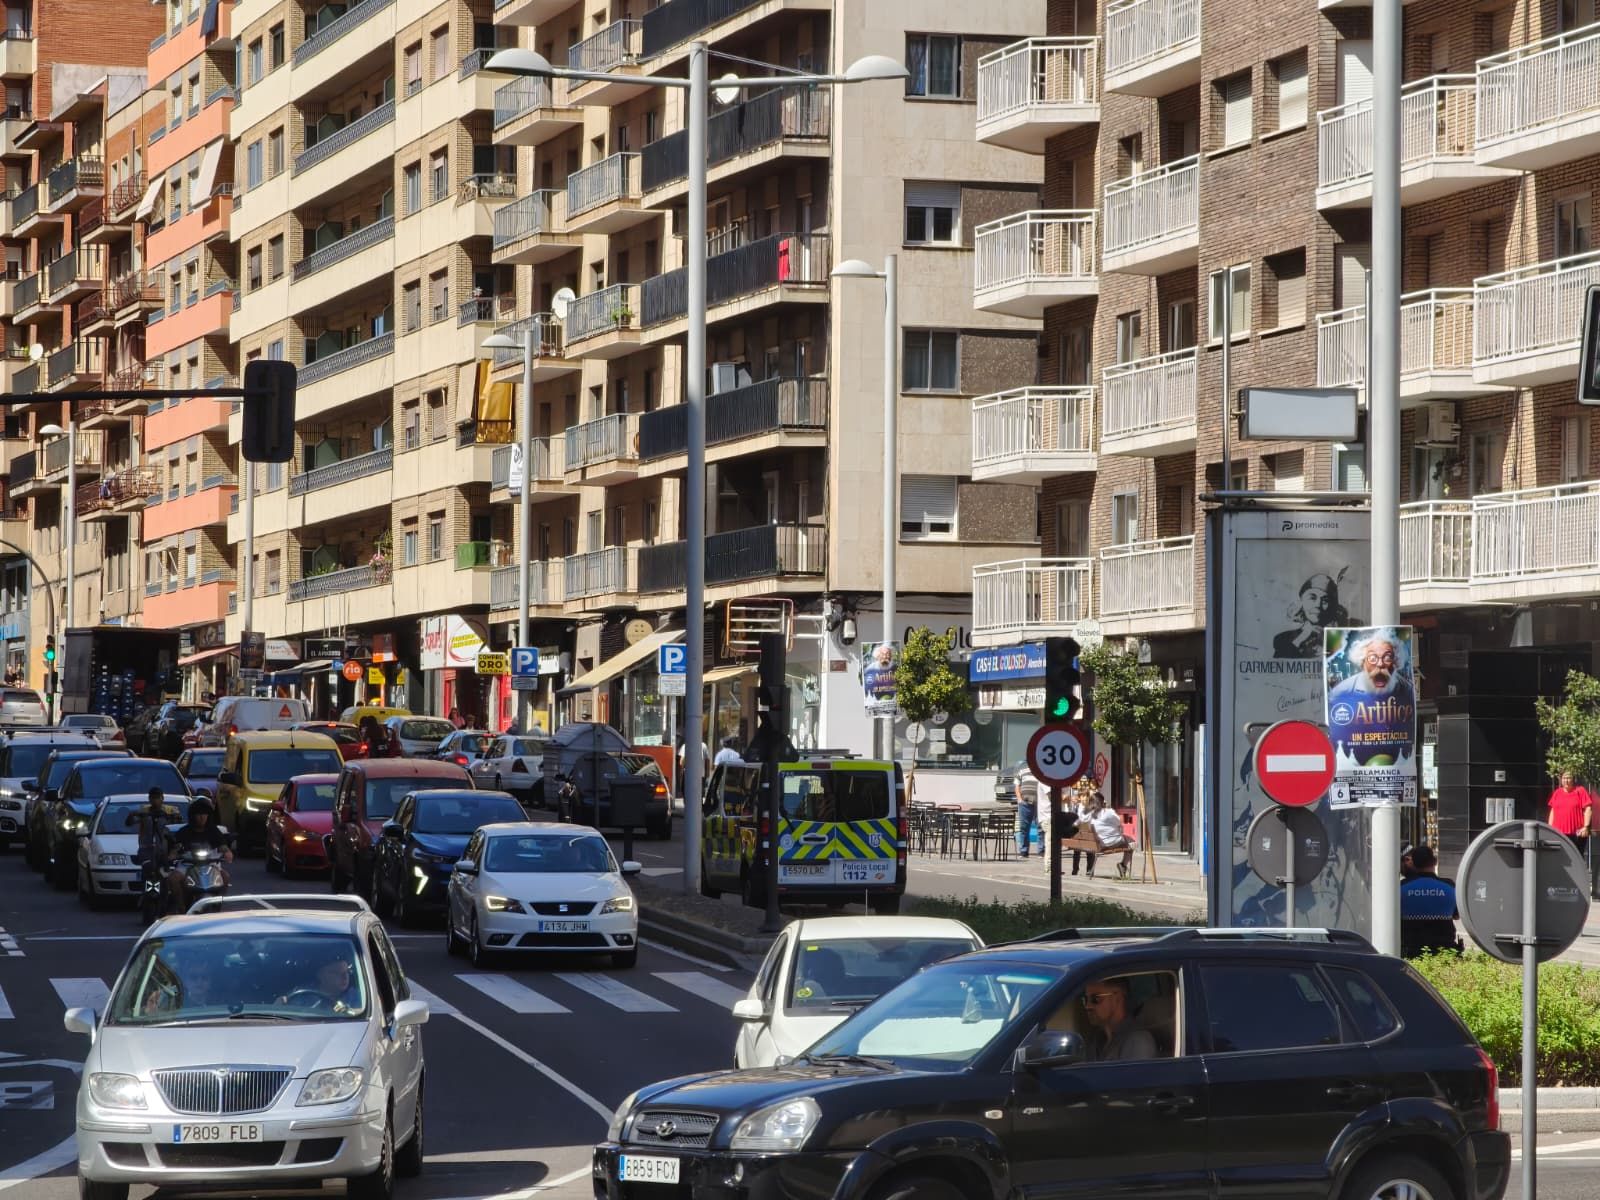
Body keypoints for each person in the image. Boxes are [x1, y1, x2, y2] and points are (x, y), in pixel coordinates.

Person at [163, 796, 233, 912]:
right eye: (198, 814)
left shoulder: (213, 831)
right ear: (193, 816)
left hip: (210, 864)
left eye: (204, 814)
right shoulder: (184, 831)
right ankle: (181, 906)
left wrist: (227, 852)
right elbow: (176, 848)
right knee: (173, 879)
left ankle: (218, 904)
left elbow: (222, 845)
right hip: (187, 865)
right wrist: (173, 855)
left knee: (225, 877)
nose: (202, 817)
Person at [1399, 844, 1461, 959]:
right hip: (1445, 952)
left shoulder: (1402, 887)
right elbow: (1456, 915)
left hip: (1411, 952)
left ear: (1414, 863)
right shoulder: (1449, 886)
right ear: (1435, 862)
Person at [1273, 572, 1350, 659]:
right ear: (1302, 601)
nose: (1318, 604)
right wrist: (1301, 638)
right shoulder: (1282, 640)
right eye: (1312, 597)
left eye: (1325, 600)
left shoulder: (1342, 639)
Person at [1081, 977, 1156, 1061]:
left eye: (1095, 999)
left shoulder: (1137, 1040)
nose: (1088, 1006)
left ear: (1117, 998)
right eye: (1086, 999)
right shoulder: (1096, 1039)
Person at [1547, 771, 1593, 861]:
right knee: (1559, 860)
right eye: (1564, 778)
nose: (1566, 781)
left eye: (1568, 778)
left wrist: (1586, 827)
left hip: (1577, 833)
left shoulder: (1580, 791)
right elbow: (1553, 811)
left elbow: (1588, 809)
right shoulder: (1557, 793)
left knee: (1576, 859)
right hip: (1559, 834)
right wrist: (1549, 828)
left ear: (1573, 779)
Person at [1089, 798, 1134, 878]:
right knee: (1132, 843)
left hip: (1098, 844)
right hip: (1109, 843)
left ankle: (1090, 870)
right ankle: (1123, 865)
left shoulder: (1090, 815)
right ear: (1102, 803)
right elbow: (1119, 822)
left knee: (1125, 839)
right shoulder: (1108, 812)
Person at [1072, 792, 1102, 877]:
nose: (1084, 798)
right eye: (1082, 796)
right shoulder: (1076, 807)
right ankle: (1075, 869)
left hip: (1088, 834)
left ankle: (1089, 870)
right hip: (1079, 834)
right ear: (1080, 797)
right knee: (1077, 851)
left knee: (1089, 851)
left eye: (1086, 796)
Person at [1014, 762, 1039, 858]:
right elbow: (1017, 786)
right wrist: (1020, 800)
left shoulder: (1040, 771)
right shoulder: (1021, 770)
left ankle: (1041, 851)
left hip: (1038, 802)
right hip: (1024, 802)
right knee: (1024, 828)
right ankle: (1024, 851)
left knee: (1041, 827)